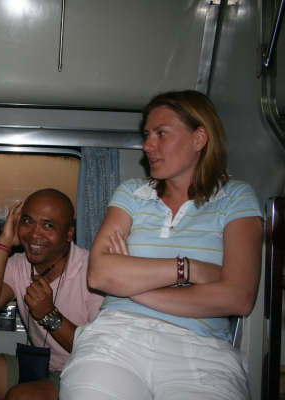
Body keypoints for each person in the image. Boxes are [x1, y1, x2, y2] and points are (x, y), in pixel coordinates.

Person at [60, 90, 263, 400]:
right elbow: (99, 274)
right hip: (117, 337)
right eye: (147, 135)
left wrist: (132, 287)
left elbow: (238, 297)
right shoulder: (131, 193)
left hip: (200, 351)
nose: (147, 145)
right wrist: (188, 269)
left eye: (161, 133)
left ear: (199, 139)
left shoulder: (236, 197)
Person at [0, 189, 104, 400]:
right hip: (40, 365)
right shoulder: (19, 265)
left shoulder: (94, 272)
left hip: (81, 372)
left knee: (22, 396)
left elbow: (98, 351)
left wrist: (49, 315)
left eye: (48, 226)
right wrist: (3, 243)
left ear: (69, 234)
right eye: (27, 221)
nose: (34, 234)